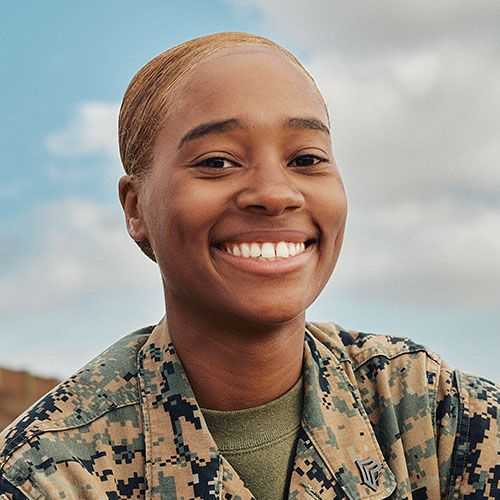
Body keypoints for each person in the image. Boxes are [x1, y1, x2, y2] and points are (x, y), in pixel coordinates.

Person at [0, 31, 498, 500]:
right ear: (135, 208)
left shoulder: (429, 413)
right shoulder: (52, 474)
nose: (275, 194)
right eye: (217, 162)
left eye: (306, 159)